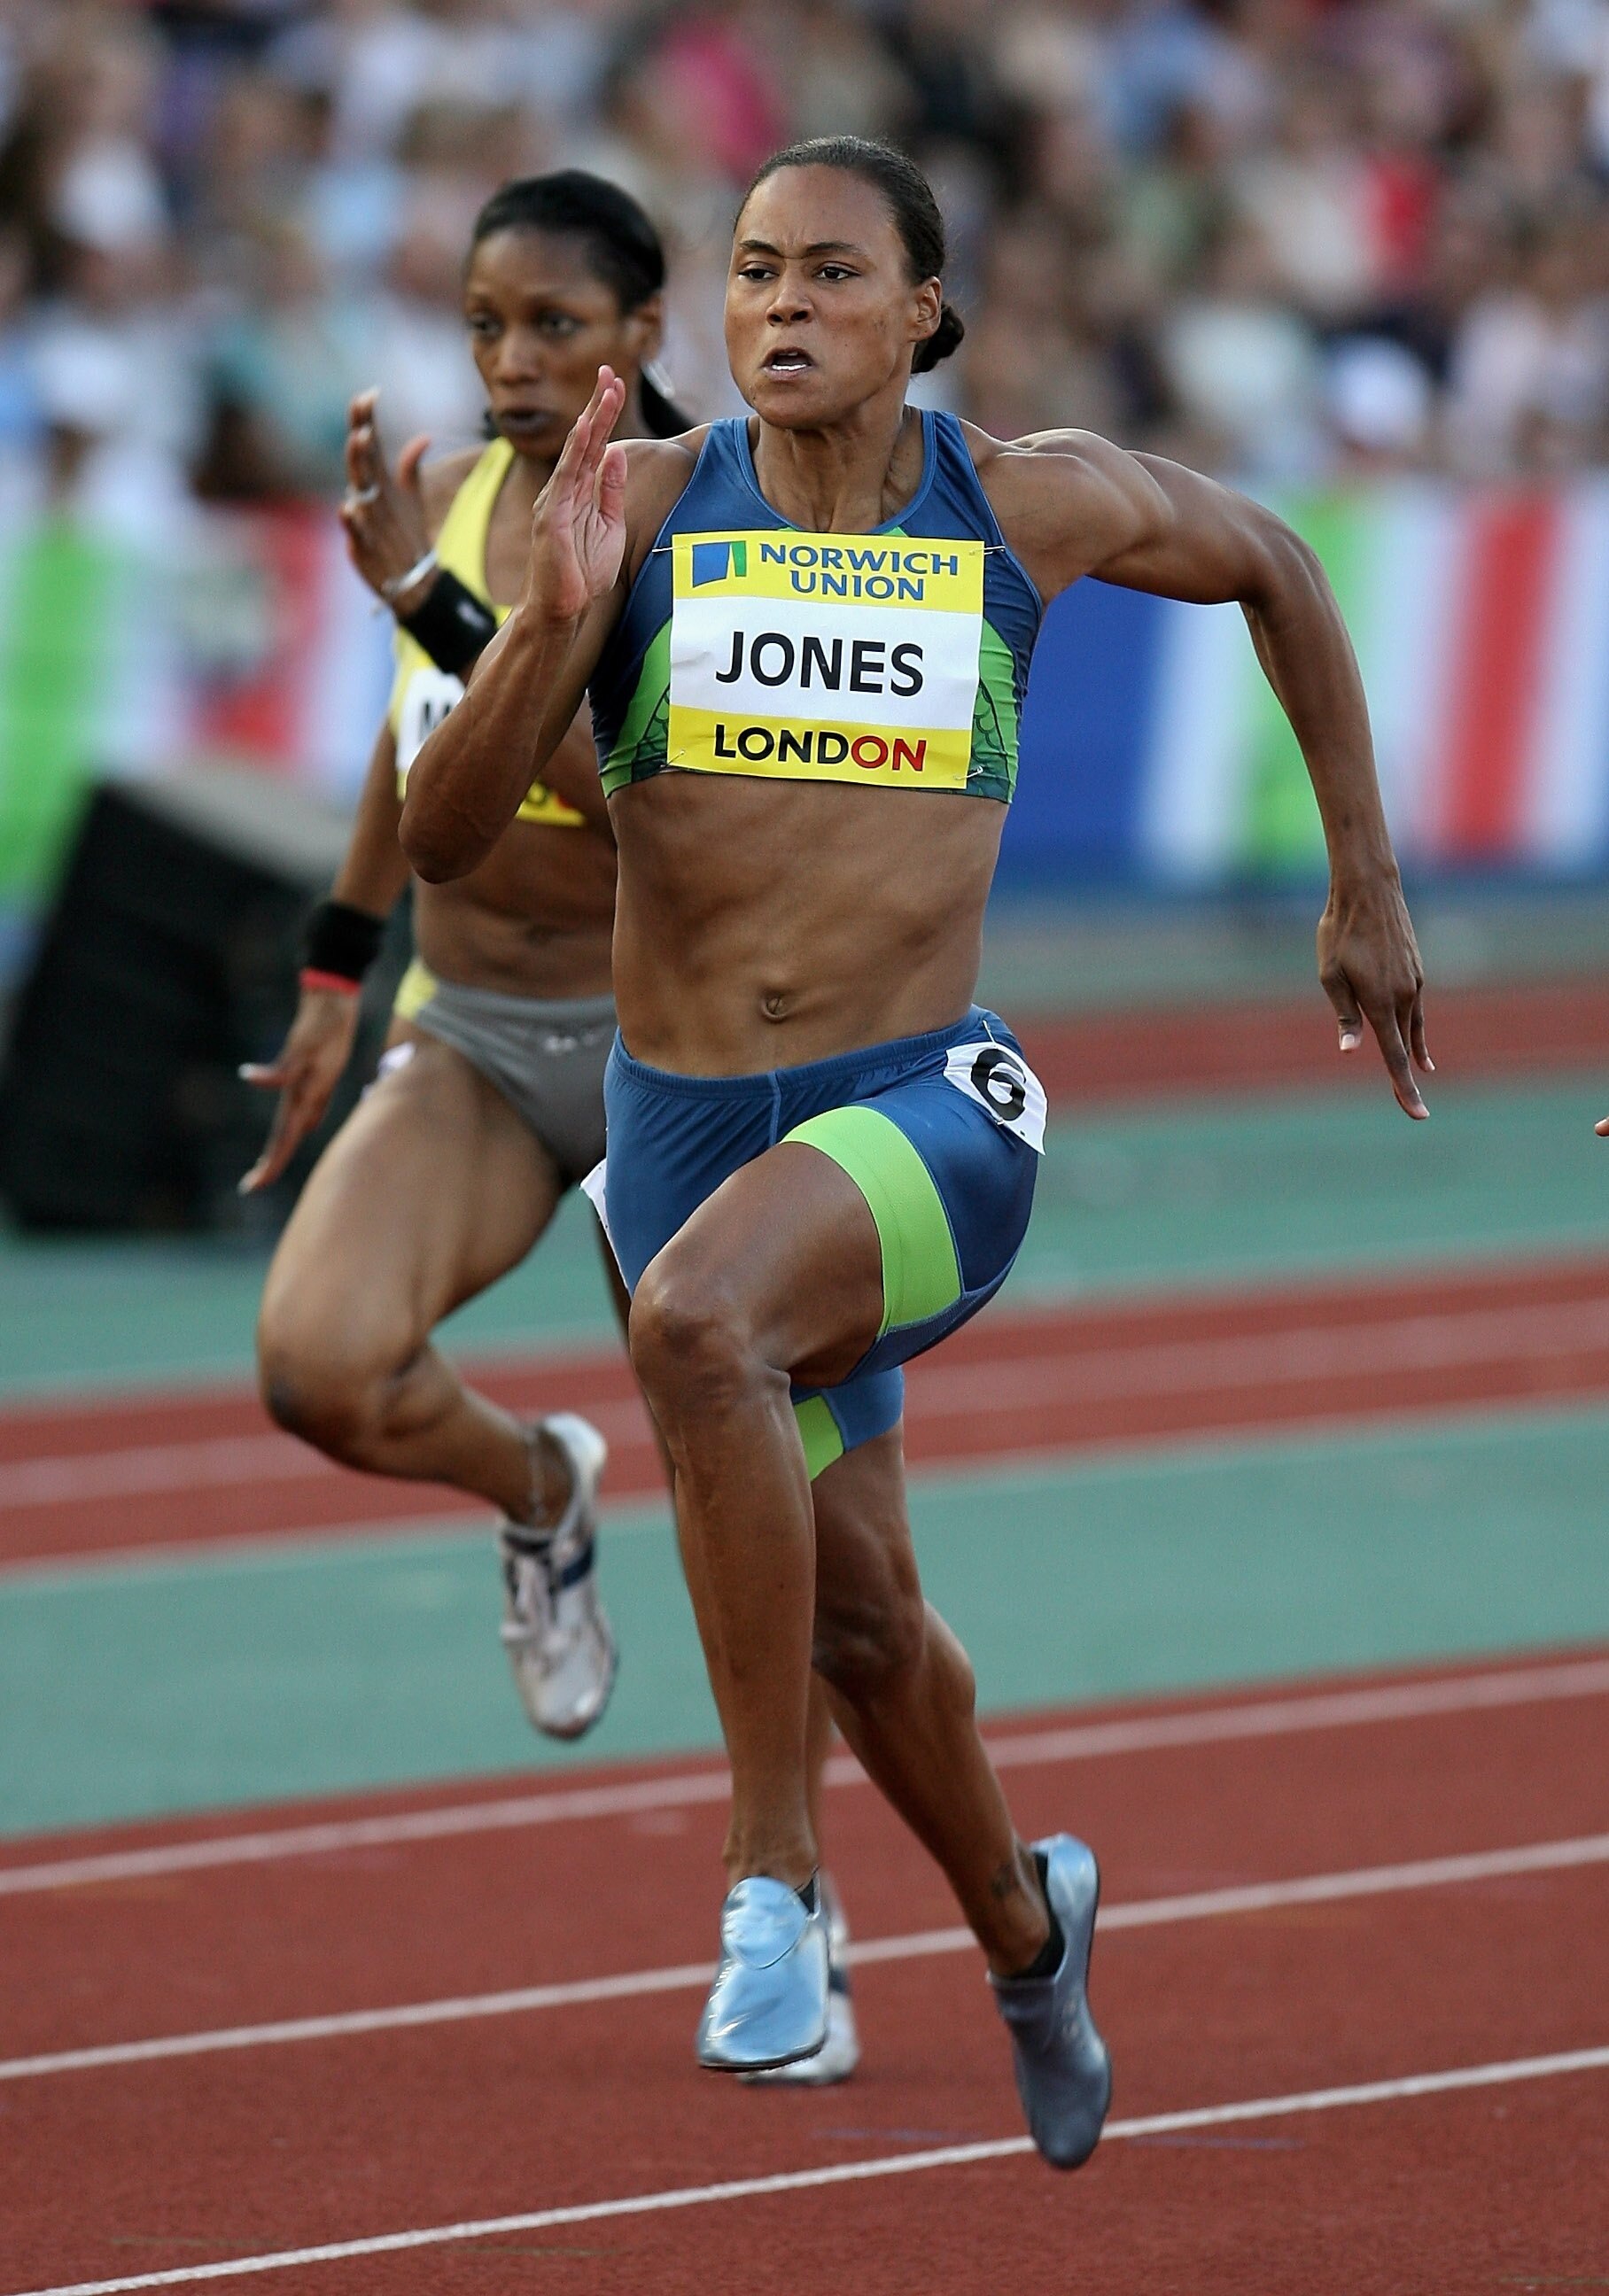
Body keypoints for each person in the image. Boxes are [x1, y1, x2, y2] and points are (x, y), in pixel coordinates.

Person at [400, 136, 1431, 2163]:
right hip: (684, 1126)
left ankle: (767, 1889)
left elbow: (1279, 569)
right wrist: (545, 626)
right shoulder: (639, 513)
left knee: (697, 1328)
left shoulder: (1018, 504)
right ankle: (1023, 1926)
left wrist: (1362, 878)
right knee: (867, 1629)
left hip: (918, 1116)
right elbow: (443, 839)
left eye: (828, 275)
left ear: (920, 316)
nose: (777, 306)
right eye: (753, 272)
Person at [242, 170, 861, 2084]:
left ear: (644, 337)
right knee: (318, 1367)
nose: (512, 367)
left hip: (661, 1058)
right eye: (485, 327)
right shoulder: (465, 495)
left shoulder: (701, 516)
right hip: (475, 1027)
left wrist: (433, 607)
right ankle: (534, 1492)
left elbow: (645, 802)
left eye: (554, 331)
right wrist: (341, 972)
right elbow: (415, 746)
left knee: (770, 1522)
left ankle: (790, 1905)